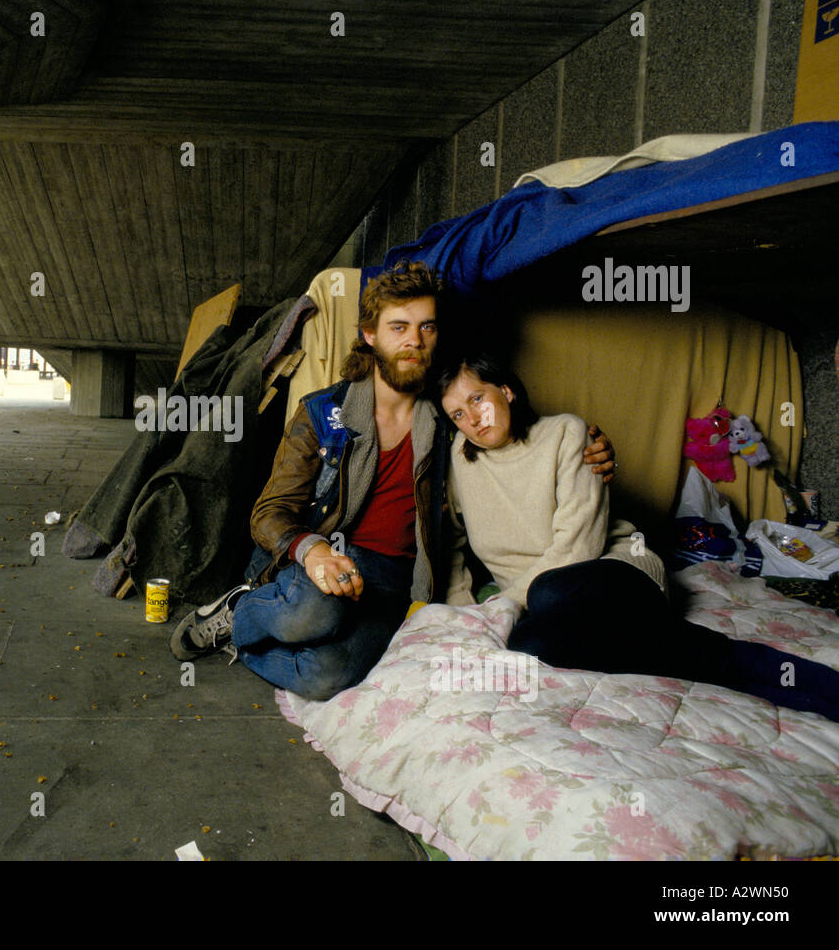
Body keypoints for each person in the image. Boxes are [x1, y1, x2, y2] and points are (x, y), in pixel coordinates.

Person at [169, 263, 615, 700]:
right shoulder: (323, 413)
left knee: (327, 676)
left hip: (398, 581)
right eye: (398, 327)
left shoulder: (448, 420)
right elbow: (268, 514)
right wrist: (316, 552)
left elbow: (509, 434)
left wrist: (587, 443)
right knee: (316, 613)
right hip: (327, 557)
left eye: (427, 328)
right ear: (370, 334)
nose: (414, 342)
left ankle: (247, 642)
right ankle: (238, 611)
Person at [439, 350, 839, 722]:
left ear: (506, 390)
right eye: (457, 414)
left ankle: (774, 675)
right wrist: (465, 611)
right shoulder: (461, 458)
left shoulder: (566, 433)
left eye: (477, 400)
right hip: (544, 611)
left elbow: (579, 548)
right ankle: (768, 675)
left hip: (611, 574)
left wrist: (497, 609)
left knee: (550, 593)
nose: (472, 420)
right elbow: (451, 541)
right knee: (528, 646)